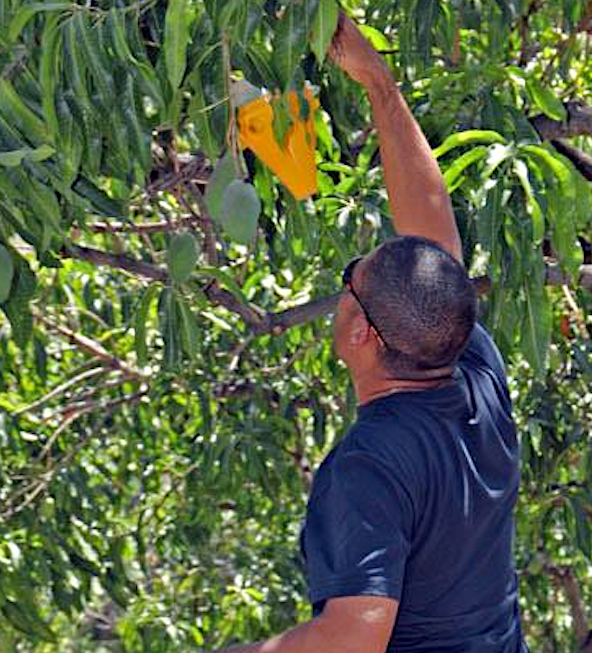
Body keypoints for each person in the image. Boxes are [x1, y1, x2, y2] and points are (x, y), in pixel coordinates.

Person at [214, 12, 527, 653]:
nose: (345, 281)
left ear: (361, 334)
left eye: (349, 278)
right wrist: (377, 83)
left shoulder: (369, 466)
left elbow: (353, 639)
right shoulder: (469, 367)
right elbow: (432, 235)